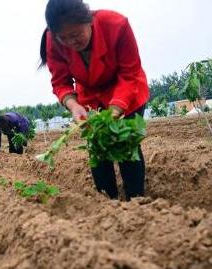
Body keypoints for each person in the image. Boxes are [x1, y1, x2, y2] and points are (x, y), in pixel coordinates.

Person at [39, 0, 149, 201]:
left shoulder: (116, 25)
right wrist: (74, 105)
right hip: (90, 99)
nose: (72, 42)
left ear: (88, 20)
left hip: (127, 91)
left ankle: (137, 201)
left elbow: (130, 73)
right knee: (98, 148)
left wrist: (115, 110)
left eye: (76, 34)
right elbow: (60, 81)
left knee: (125, 145)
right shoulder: (52, 39)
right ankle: (107, 203)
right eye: (64, 38)